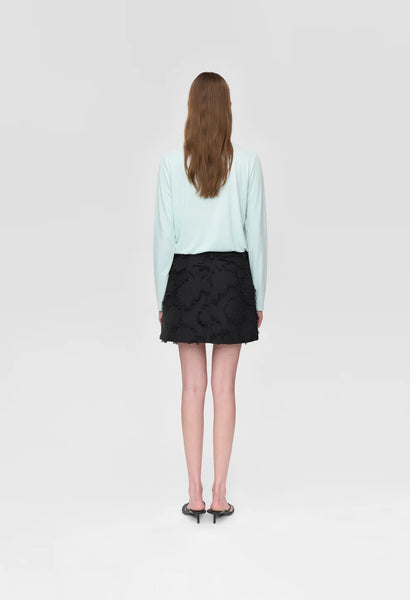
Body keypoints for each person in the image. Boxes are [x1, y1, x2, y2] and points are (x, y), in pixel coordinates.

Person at [153, 72, 267, 523]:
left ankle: (195, 493)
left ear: (192, 110)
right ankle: (221, 493)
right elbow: (257, 237)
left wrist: (161, 295)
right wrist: (259, 295)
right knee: (224, 389)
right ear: (226, 111)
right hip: (232, 276)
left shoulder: (170, 164)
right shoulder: (249, 163)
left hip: (185, 277)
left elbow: (163, 238)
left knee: (192, 388)